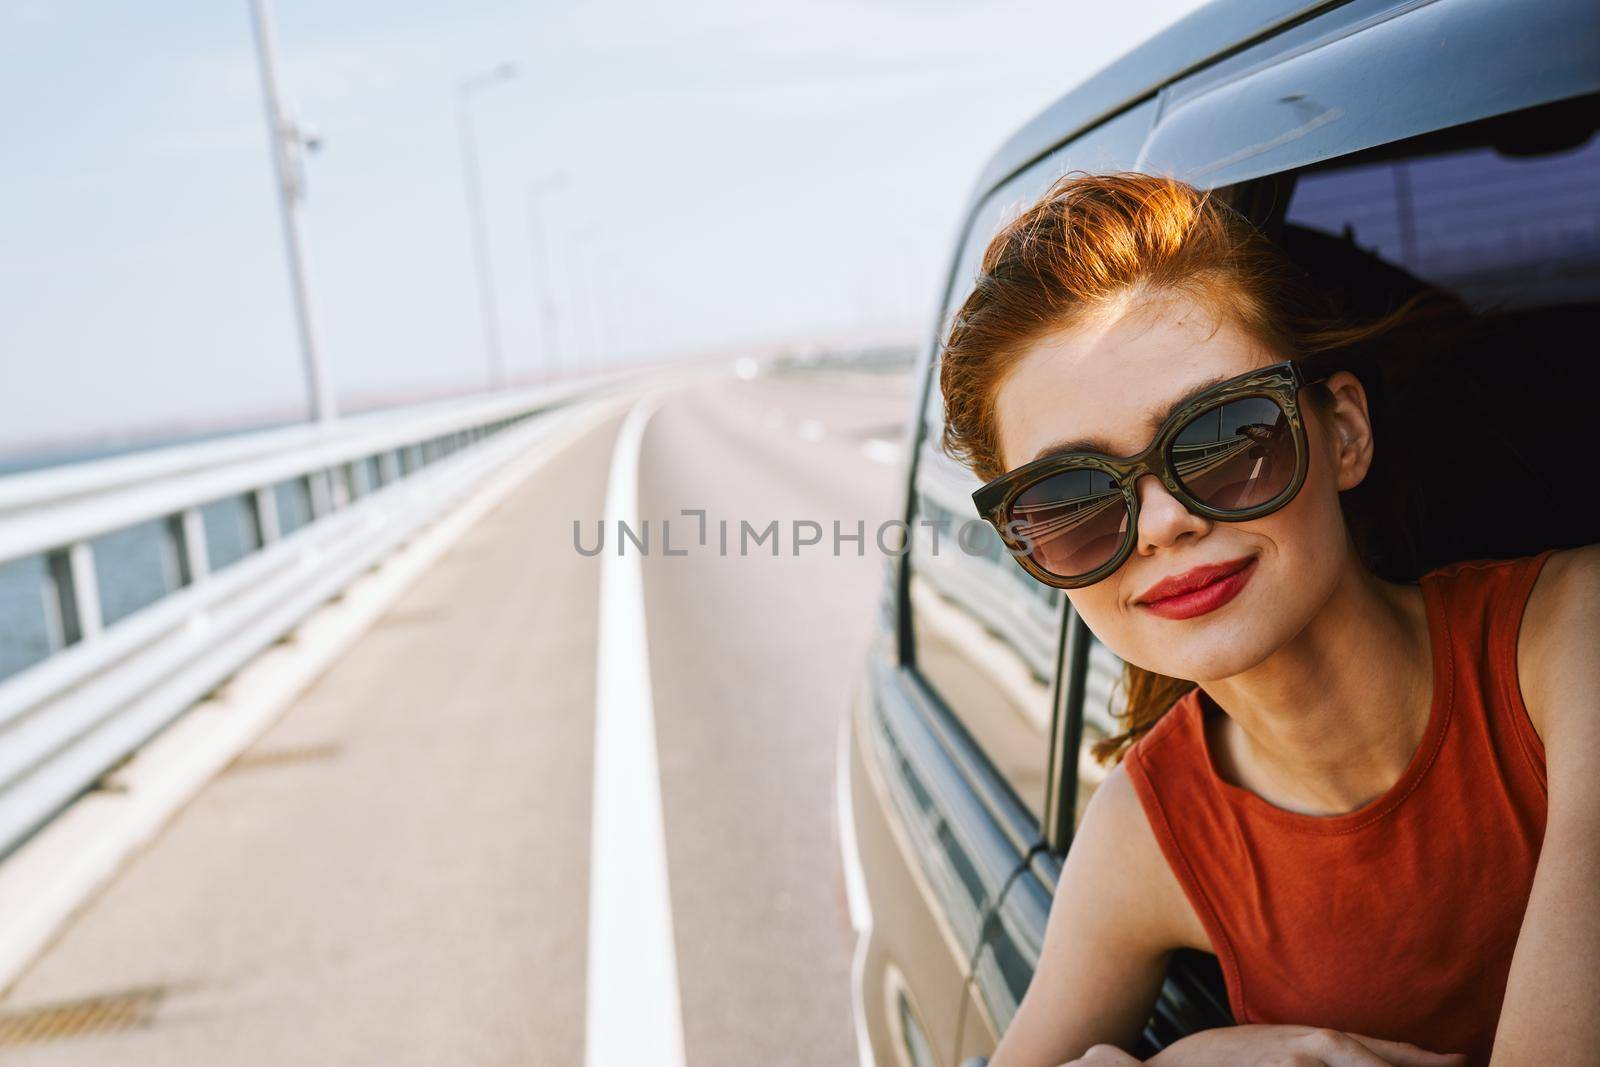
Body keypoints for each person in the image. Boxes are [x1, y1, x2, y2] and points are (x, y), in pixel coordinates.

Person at [937, 172, 1598, 1067]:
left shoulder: (1572, 640)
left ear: (1343, 434)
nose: (1167, 521)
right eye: (1073, 500)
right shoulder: (1152, 829)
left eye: (1227, 437)